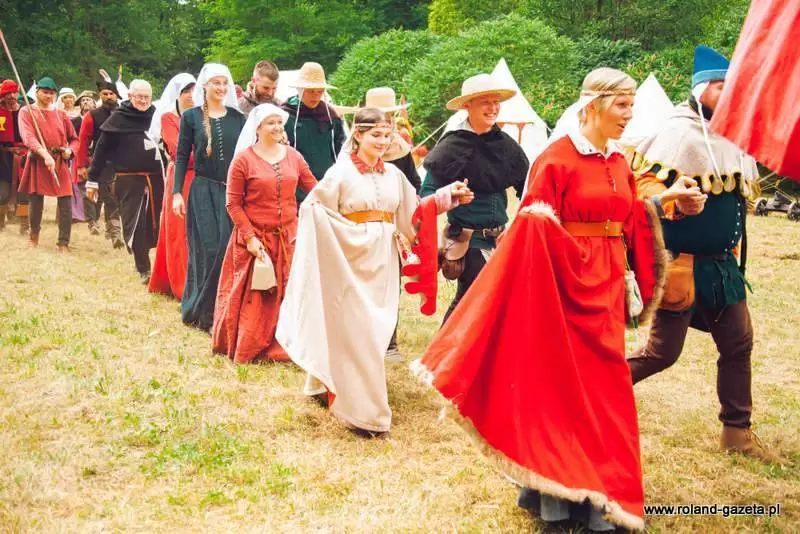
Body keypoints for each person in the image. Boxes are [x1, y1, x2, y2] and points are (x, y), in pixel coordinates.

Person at [411, 67, 708, 532]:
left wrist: (667, 200)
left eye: (632, 105)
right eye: (621, 105)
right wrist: (569, 263)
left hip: (605, 290)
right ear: (593, 105)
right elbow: (531, 228)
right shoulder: (556, 159)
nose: (629, 114)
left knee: (602, 393)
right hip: (562, 288)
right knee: (560, 389)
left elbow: (624, 216)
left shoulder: (618, 162)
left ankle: (594, 491)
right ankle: (556, 498)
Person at [276, 107, 473, 437]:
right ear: (358, 135)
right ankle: (366, 415)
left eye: (387, 135)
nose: (382, 142)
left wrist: (445, 197)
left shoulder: (393, 175)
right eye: (375, 135)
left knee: (376, 329)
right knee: (359, 331)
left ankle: (324, 383)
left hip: (383, 261)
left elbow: (414, 212)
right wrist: (347, 235)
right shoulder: (340, 174)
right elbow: (313, 209)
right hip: (349, 261)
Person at [626, 46, 780, 463]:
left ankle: (737, 433)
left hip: (723, 267)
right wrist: (675, 200)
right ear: (700, 89)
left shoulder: (735, 132)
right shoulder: (677, 131)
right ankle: (591, 393)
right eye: (719, 86)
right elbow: (642, 186)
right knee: (661, 353)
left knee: (738, 344)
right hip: (682, 266)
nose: (727, 93)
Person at [420, 73, 529, 324]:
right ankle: (443, 348)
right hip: (468, 241)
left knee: (494, 305)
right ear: (467, 105)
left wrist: (520, 224)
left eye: (496, 102)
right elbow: (426, 195)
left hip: (501, 241)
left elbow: (529, 190)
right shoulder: (452, 145)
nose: (493, 108)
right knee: (469, 300)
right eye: (485, 102)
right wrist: (451, 195)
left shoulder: (505, 145)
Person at [212, 104, 317, 363]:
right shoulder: (243, 160)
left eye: (279, 122)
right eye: (271, 123)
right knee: (257, 296)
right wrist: (249, 238)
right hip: (255, 237)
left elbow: (314, 189)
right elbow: (233, 204)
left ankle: (288, 345)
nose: (277, 127)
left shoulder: (294, 156)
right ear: (257, 129)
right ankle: (251, 345)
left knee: (291, 291)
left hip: (288, 237)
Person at [173, 63, 246, 331]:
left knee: (226, 247)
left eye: (225, 83)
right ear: (205, 85)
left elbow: (246, 156)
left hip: (230, 192)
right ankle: (202, 310)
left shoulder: (238, 119)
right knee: (208, 248)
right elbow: (182, 156)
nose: (221, 88)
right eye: (216, 83)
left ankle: (220, 309)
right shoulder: (191, 117)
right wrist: (176, 193)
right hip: (202, 191)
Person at [86, 79, 164, 283]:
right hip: (128, 180)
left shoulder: (156, 115)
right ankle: (143, 269)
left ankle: (159, 268)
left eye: (147, 97)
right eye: (139, 97)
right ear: (130, 96)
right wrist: (92, 179)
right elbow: (101, 150)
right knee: (136, 223)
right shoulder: (119, 118)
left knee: (156, 223)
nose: (143, 101)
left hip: (156, 179)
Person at [147, 73, 197, 299]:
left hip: (201, 178)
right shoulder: (169, 118)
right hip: (181, 178)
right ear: (177, 94)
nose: (191, 96)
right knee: (179, 231)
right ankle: (180, 284)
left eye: (194, 91)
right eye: (186, 91)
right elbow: (178, 151)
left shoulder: (203, 117)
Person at [17, 77, 78, 250]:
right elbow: (28, 137)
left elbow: (74, 139)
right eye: (45, 92)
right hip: (38, 160)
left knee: (66, 202)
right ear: (37, 92)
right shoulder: (27, 112)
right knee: (36, 201)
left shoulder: (61, 114)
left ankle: (63, 242)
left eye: (51, 93)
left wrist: (69, 151)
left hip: (59, 160)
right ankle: (33, 237)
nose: (48, 96)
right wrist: (44, 154)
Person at [282, 62, 346, 205]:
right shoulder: (284, 117)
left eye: (319, 92)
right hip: (294, 187)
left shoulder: (330, 117)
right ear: (300, 90)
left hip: (326, 185)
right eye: (311, 91)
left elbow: (340, 149)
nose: (316, 96)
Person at [75, 81, 123, 244]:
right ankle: (112, 231)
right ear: (100, 96)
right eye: (105, 94)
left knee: (115, 197)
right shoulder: (92, 116)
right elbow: (83, 141)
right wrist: (81, 165)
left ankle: (111, 229)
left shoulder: (125, 114)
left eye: (111, 94)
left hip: (123, 162)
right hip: (100, 162)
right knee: (104, 196)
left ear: (117, 95)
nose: (108, 97)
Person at [0, 79, 24, 231]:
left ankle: (24, 224)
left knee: (25, 194)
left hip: (24, 154)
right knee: (3, 193)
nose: (12, 96)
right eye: (8, 93)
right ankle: (1, 222)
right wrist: (7, 149)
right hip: (3, 156)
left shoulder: (25, 110)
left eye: (14, 93)